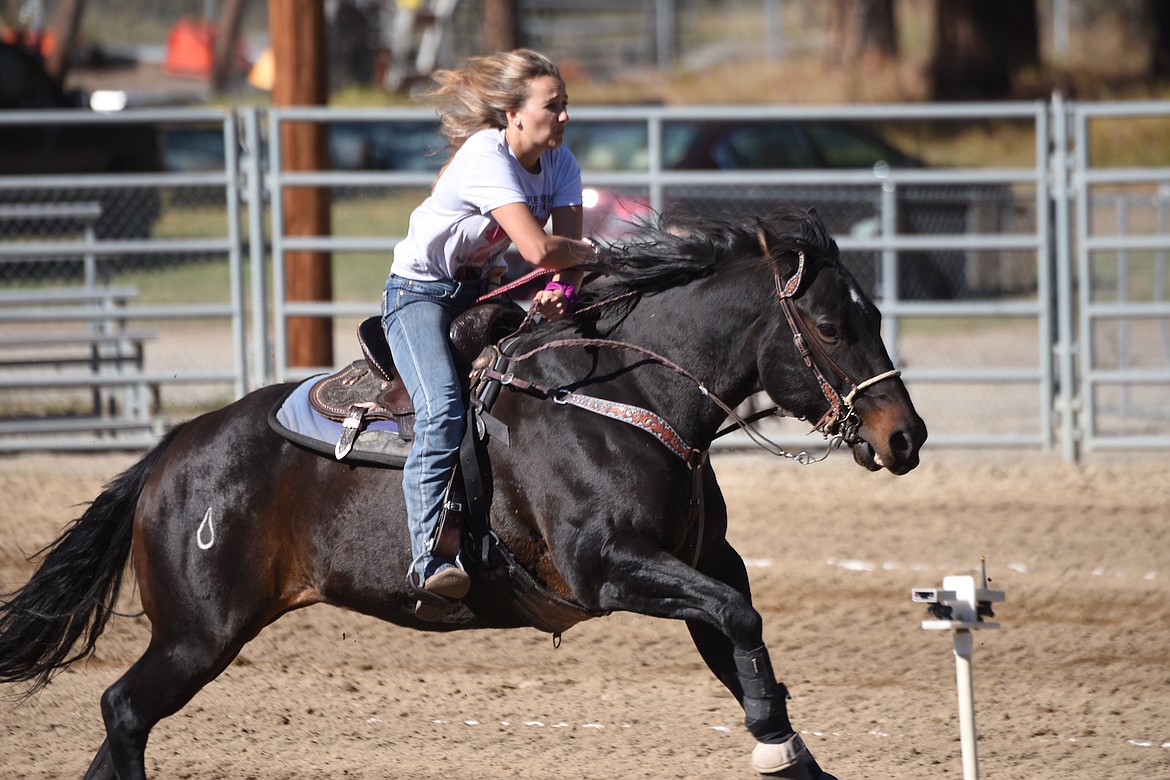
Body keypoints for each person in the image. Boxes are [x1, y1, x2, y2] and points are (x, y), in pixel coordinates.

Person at [381, 48, 596, 617]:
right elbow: (540, 249)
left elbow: (562, 266)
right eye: (553, 106)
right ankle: (428, 559)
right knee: (444, 408)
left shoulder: (562, 163)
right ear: (513, 114)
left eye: (566, 105)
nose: (565, 116)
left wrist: (565, 291)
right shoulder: (484, 155)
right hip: (419, 296)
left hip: (480, 294)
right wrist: (579, 255)